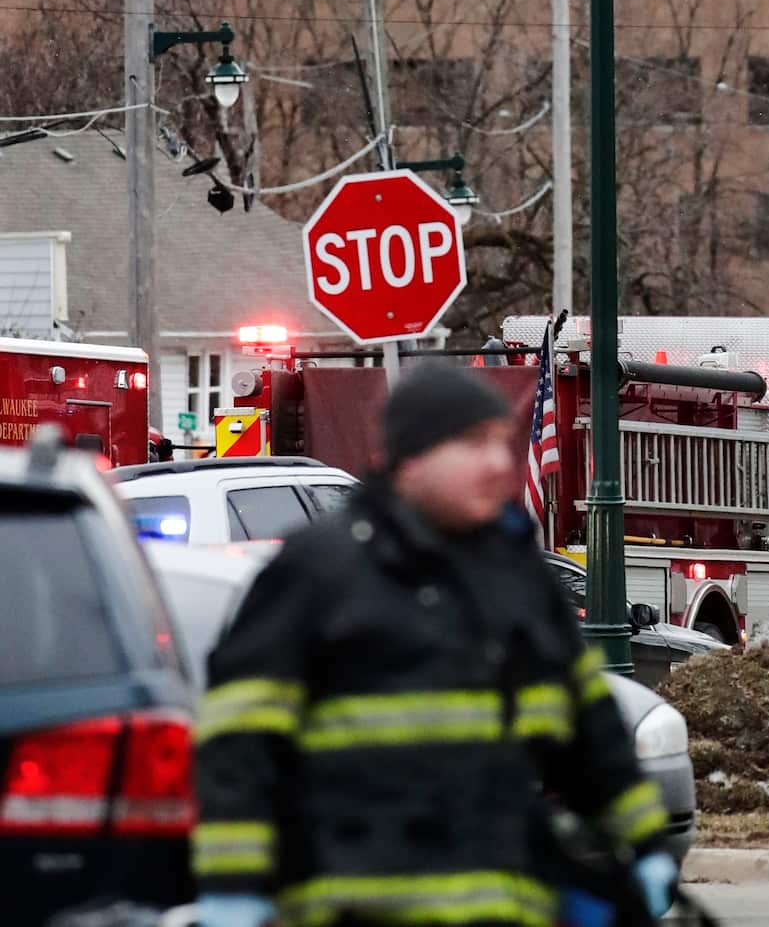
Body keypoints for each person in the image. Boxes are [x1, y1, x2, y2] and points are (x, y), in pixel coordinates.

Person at [194, 360, 676, 927]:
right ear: (413, 457)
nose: (498, 462)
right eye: (472, 443)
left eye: (501, 443)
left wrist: (646, 845)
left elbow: (588, 729)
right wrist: (232, 888)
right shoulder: (316, 572)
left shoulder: (515, 575)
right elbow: (239, 748)